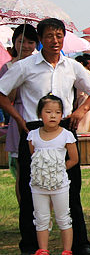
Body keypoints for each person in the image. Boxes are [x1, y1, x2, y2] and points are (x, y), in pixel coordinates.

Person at [0, 18, 90, 255]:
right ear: (40, 39)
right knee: (29, 185)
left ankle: (79, 244)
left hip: (65, 127)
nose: (54, 41)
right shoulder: (26, 66)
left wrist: (81, 111)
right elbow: (2, 93)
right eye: (49, 36)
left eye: (58, 35)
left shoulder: (72, 66)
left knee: (71, 186)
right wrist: (17, 118)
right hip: (33, 129)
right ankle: (30, 245)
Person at [26, 94, 79, 255]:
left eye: (57, 112)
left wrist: (57, 169)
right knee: (41, 218)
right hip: (39, 185)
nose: (53, 115)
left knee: (63, 217)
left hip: (60, 185)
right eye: (48, 112)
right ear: (40, 114)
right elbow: (35, 157)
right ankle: (43, 251)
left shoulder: (66, 136)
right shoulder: (33, 136)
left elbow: (74, 159)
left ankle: (67, 252)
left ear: (62, 115)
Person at [0, 24, 38, 192]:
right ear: (14, 43)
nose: (26, 46)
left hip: (38, 114)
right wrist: (17, 73)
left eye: (31, 42)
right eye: (21, 41)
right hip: (18, 115)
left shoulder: (39, 65)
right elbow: (7, 98)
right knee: (21, 169)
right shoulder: (8, 68)